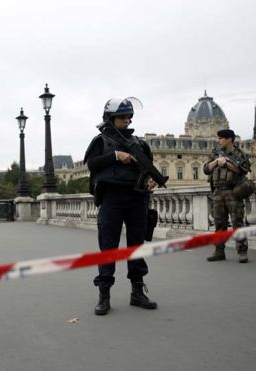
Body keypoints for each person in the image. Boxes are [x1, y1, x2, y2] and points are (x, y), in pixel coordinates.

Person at [84, 97, 159, 316]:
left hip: (137, 198)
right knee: (108, 248)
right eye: (122, 117)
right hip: (112, 199)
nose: (127, 120)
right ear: (110, 118)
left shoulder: (140, 143)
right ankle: (104, 294)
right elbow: (91, 164)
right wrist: (116, 156)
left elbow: (147, 169)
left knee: (136, 247)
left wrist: (150, 181)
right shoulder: (100, 141)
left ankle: (137, 291)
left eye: (128, 117)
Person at [203, 129, 252, 263]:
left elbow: (243, 170)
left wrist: (227, 164)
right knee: (219, 223)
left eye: (221, 138)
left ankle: (242, 251)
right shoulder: (215, 152)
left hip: (233, 191)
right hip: (217, 192)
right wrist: (216, 162)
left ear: (230, 139)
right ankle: (219, 251)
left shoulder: (239, 154)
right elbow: (206, 169)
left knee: (237, 222)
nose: (219, 141)